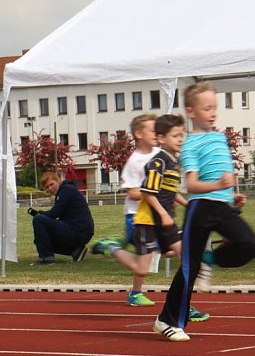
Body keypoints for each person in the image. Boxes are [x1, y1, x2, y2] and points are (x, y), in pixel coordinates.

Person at [153, 82, 255, 342]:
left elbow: (220, 175)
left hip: (222, 206)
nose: (213, 112)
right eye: (206, 108)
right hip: (200, 208)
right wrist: (218, 185)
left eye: (215, 107)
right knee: (189, 269)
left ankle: (210, 261)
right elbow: (191, 185)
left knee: (251, 244)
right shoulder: (190, 145)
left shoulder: (220, 138)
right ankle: (167, 321)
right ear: (191, 111)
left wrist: (231, 194)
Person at [89, 114, 209, 324]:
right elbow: (143, 192)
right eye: (175, 135)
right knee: (141, 269)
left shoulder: (170, 158)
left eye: (182, 135)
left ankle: (182, 304)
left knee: (186, 255)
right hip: (145, 220)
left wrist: (186, 203)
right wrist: (161, 209)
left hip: (164, 220)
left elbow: (169, 190)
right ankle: (112, 247)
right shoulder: (150, 161)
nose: (181, 139)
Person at [113, 113, 160, 307]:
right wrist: (153, 194)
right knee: (148, 259)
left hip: (155, 215)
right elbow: (132, 192)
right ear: (139, 134)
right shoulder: (134, 161)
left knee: (149, 259)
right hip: (137, 216)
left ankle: (135, 292)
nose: (157, 133)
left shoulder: (159, 153)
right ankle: (112, 247)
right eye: (153, 130)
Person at [28, 171, 94, 265]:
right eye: (47, 187)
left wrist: (39, 214)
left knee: (38, 220)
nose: (50, 188)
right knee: (40, 240)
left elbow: (54, 213)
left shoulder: (66, 190)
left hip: (78, 230)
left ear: (58, 180)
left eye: (51, 184)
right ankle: (76, 251)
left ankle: (47, 258)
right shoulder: (66, 190)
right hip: (82, 231)